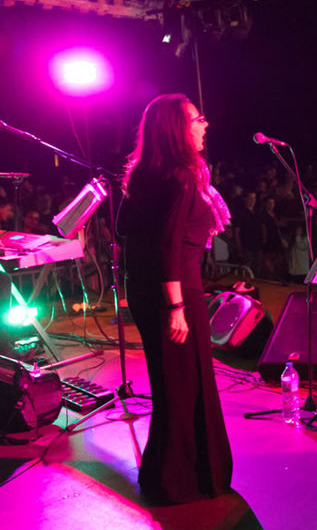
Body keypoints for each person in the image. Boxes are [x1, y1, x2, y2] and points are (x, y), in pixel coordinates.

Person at [118, 94, 232, 504]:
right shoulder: (183, 177)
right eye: (197, 120)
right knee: (186, 383)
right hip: (176, 291)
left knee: (171, 384)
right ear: (176, 129)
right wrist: (176, 307)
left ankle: (166, 475)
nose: (205, 126)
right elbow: (168, 245)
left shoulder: (145, 173)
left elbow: (124, 230)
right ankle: (182, 480)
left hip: (147, 289)